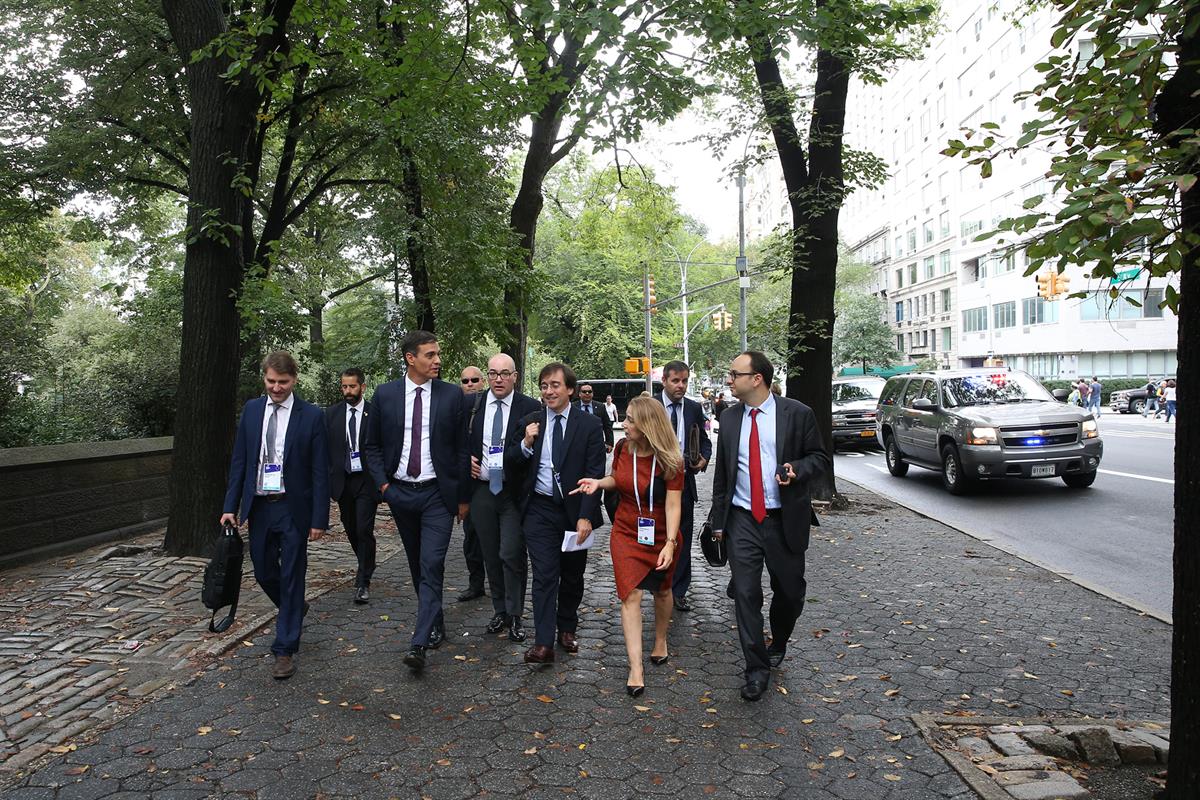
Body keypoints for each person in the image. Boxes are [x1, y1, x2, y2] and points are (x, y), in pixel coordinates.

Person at [710, 351, 830, 702]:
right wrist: (719, 523)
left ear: (756, 378)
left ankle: (778, 641)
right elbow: (723, 475)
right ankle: (756, 669)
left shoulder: (798, 414)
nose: (729, 380)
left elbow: (819, 458)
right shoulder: (729, 419)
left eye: (735, 374)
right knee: (746, 594)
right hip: (743, 518)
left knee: (790, 593)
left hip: (784, 519)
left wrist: (797, 470)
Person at [363, 330, 469, 672]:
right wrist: (383, 487)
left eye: (438, 354)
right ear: (411, 358)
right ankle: (434, 619)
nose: (437, 360)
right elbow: (372, 446)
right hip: (400, 493)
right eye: (430, 355)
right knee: (415, 564)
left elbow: (461, 449)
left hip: (437, 494)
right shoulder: (386, 395)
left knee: (432, 563)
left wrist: (461, 497)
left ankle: (418, 642)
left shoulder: (452, 396)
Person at [220, 351, 329, 680]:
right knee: (265, 570)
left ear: (294, 380)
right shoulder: (252, 411)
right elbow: (240, 461)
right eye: (271, 381)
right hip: (260, 506)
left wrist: (319, 519)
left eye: (283, 382)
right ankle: (294, 607)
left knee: (293, 575)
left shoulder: (311, 416)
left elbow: (319, 470)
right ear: (264, 379)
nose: (276, 388)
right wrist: (230, 506)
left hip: (293, 507)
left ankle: (284, 648)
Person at [572, 396, 682, 696]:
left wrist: (670, 544)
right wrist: (598, 483)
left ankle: (660, 639)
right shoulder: (622, 448)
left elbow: (674, 505)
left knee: (662, 590)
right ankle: (636, 667)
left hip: (660, 533)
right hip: (626, 531)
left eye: (631, 419)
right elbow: (617, 479)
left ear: (648, 425)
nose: (624, 423)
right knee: (630, 593)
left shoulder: (671, 458)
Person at [506, 362, 606, 665]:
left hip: (575, 512)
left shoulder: (588, 425)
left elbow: (595, 471)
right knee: (545, 575)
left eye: (555, 386)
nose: (548, 391)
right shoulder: (531, 422)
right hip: (539, 510)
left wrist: (586, 515)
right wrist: (525, 443)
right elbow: (510, 460)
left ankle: (567, 627)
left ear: (570, 390)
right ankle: (543, 642)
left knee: (572, 576)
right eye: (544, 386)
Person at [464, 353, 542, 642]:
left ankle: (516, 615)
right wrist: (465, 461)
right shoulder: (473, 405)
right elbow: (457, 441)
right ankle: (500, 611)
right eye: (493, 373)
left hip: (512, 492)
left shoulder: (531, 408)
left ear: (515, 377)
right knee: (490, 554)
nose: (498, 379)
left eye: (504, 373)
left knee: (511, 553)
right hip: (482, 490)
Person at [655, 360, 712, 612]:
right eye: (676, 381)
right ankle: (657, 585)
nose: (681, 385)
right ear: (664, 381)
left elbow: (705, 441)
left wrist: (704, 457)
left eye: (685, 381)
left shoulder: (693, 408)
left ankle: (679, 590)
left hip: (684, 482)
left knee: (681, 538)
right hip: (654, 483)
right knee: (655, 536)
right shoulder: (652, 406)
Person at [325, 368, 379, 605]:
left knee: (363, 528)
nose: (348, 391)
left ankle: (362, 581)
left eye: (352, 387)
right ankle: (367, 561)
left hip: (366, 481)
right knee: (351, 529)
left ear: (362, 387)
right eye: (344, 387)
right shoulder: (332, 414)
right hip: (343, 481)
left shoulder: (374, 413)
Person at [456, 365, 488, 602]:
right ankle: (476, 583)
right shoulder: (456, 408)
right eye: (465, 381)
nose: (469, 384)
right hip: (468, 485)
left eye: (474, 380)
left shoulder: (491, 405)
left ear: (483, 381)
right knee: (471, 538)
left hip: (493, 481)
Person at [575, 383, 615, 452]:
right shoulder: (573, 407)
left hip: (596, 445)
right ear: (579, 394)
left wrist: (609, 443)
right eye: (584, 391)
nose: (587, 393)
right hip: (577, 446)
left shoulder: (600, 407)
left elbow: (607, 426)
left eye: (589, 391)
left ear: (592, 394)